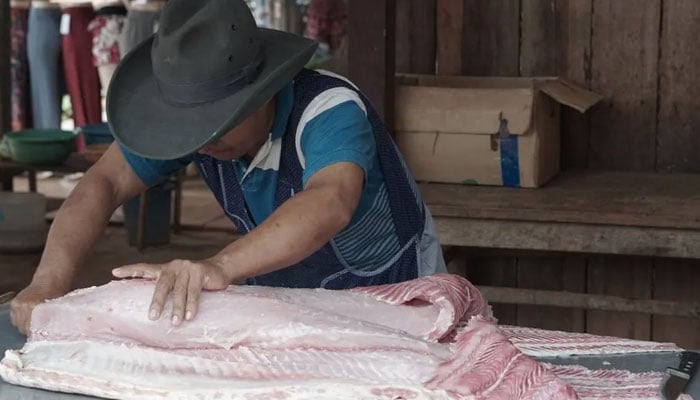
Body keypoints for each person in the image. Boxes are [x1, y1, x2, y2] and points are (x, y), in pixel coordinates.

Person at [10, 0, 446, 335]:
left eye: (219, 120)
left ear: (263, 90)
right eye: (193, 125)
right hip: (291, 296)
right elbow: (101, 183)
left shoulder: (329, 108)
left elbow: (330, 199)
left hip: (396, 291)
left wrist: (218, 265)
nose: (203, 138)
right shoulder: (194, 129)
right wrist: (47, 282)